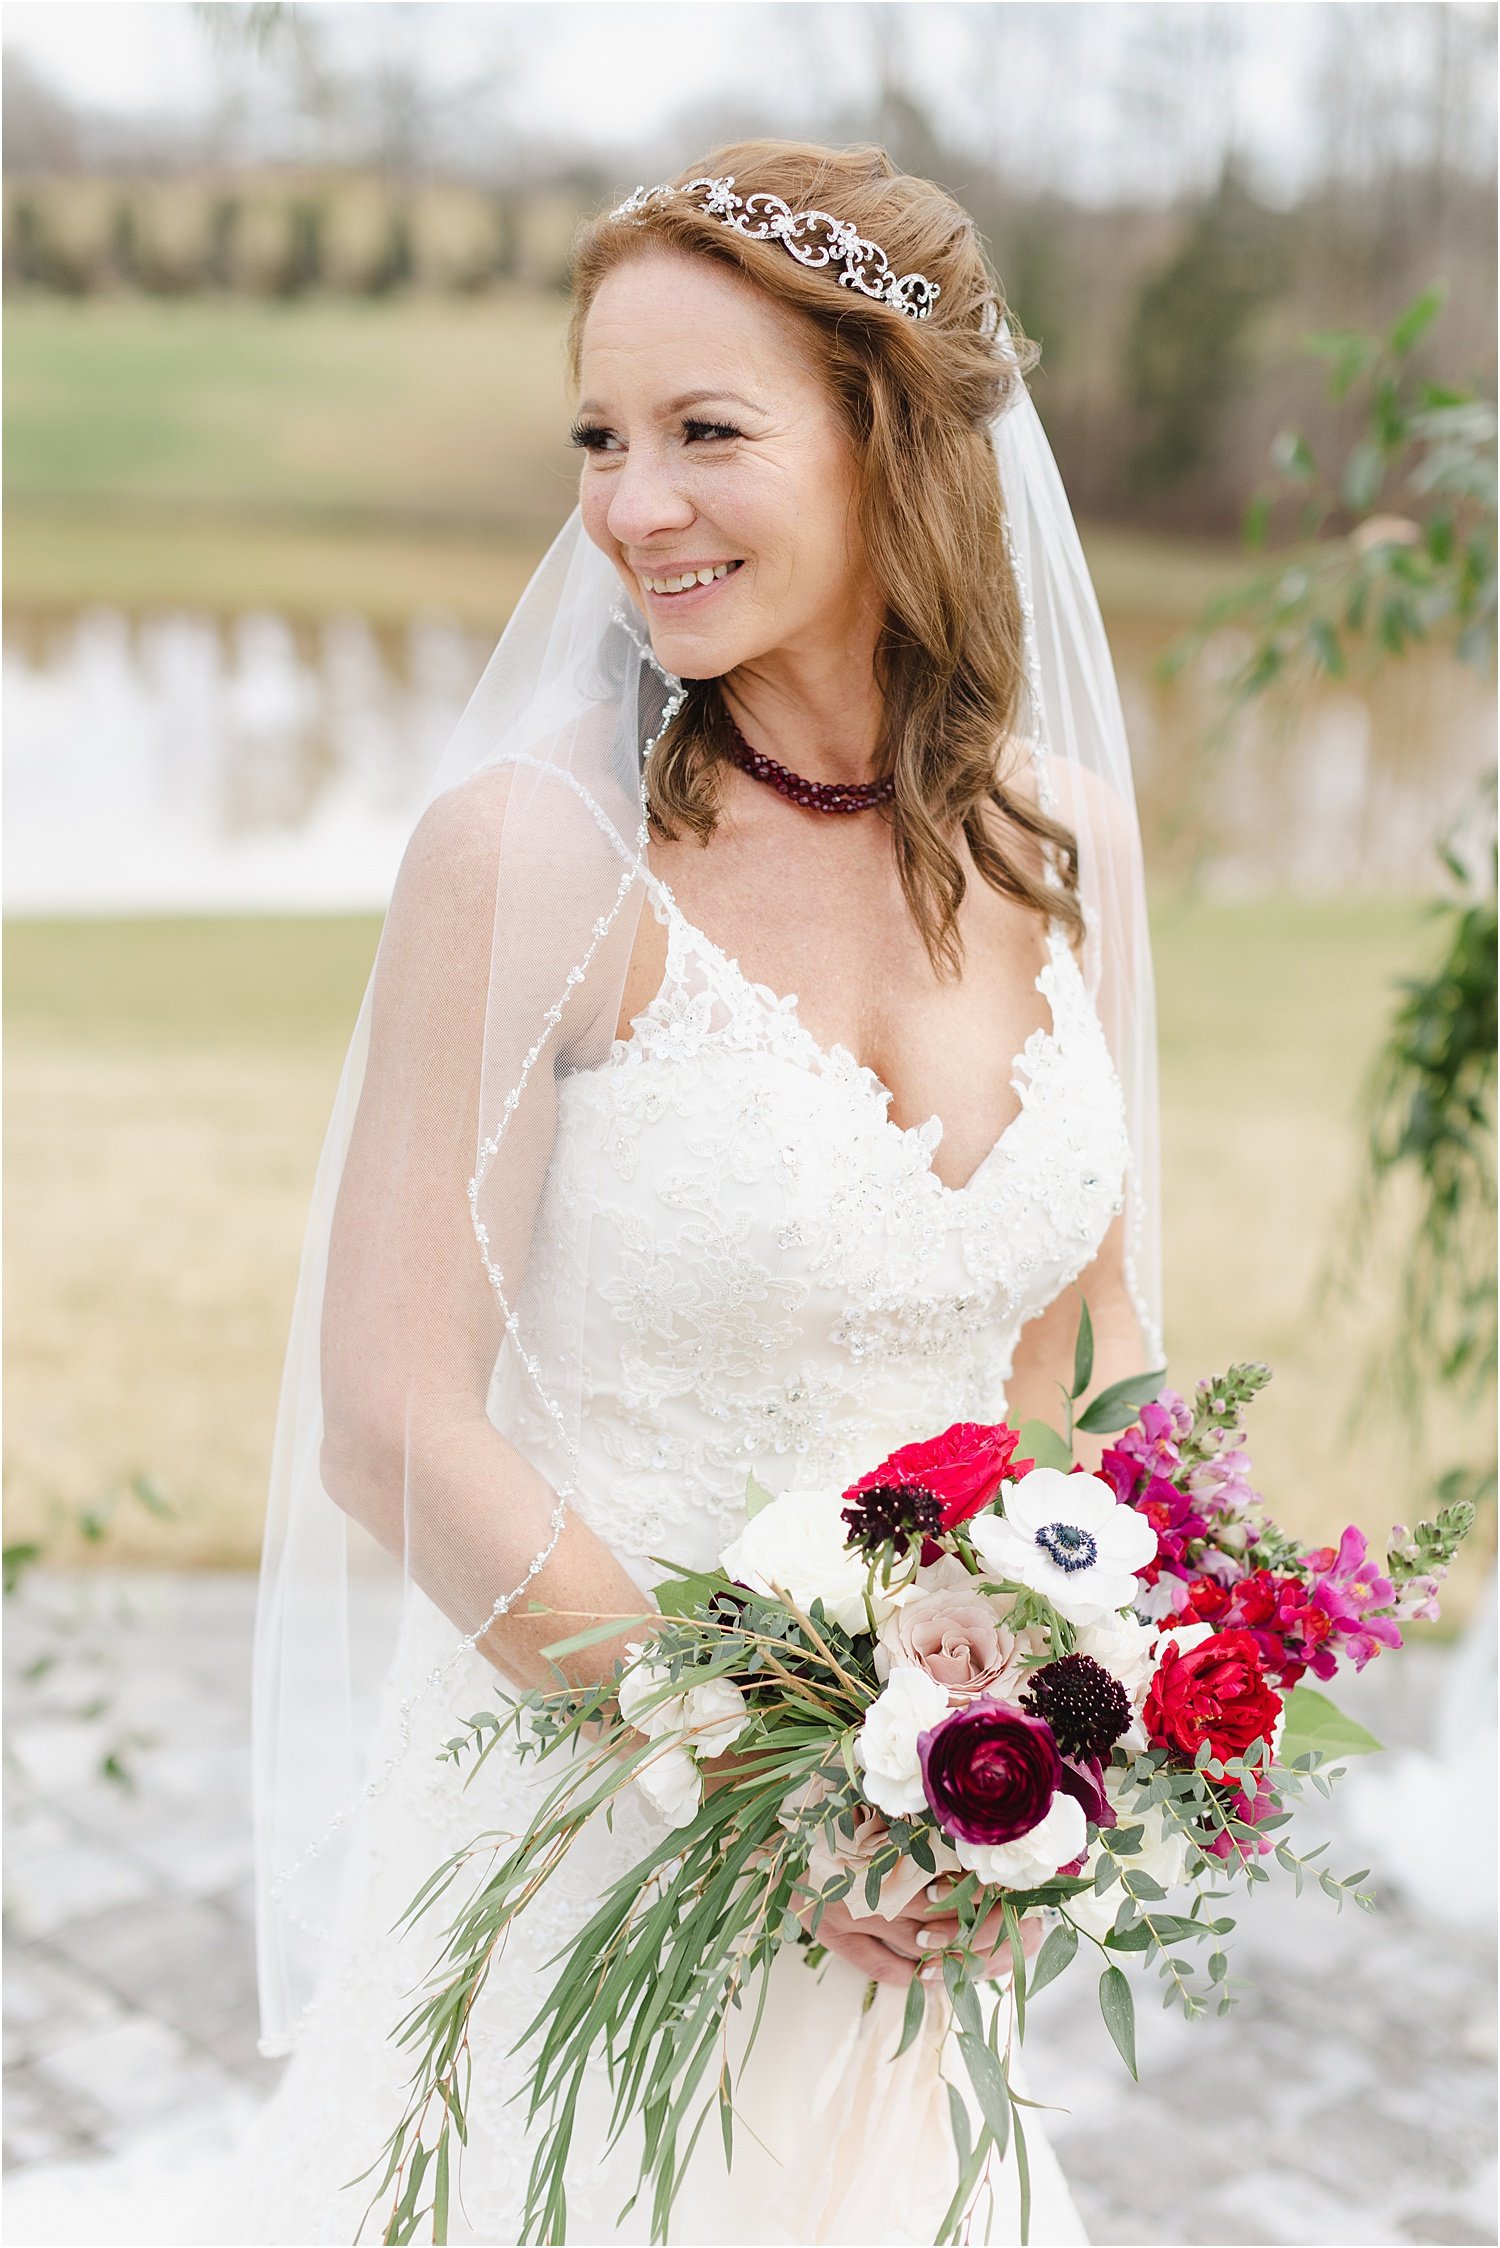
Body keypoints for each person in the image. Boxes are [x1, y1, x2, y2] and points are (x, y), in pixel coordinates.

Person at [166, 139, 1154, 2246]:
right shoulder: (534, 858)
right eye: (602, 437)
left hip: (928, 1880)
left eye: (709, 431)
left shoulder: (1062, 835)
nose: (629, 506)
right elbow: (391, 1424)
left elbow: (1092, 1355)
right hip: (599, 1823)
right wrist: (780, 1781)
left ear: (897, 440)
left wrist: (1078, 1726)